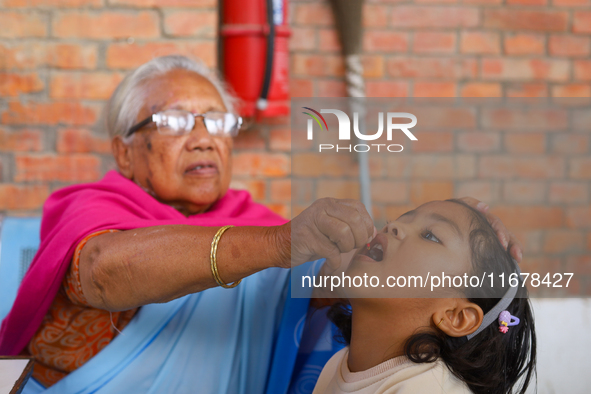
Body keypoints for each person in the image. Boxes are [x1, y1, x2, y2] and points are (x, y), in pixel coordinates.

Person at [0, 55, 523, 394]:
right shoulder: (93, 211)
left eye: (219, 122)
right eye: (178, 122)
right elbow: (106, 272)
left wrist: (468, 261)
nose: (204, 138)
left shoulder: (256, 227)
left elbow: (344, 276)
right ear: (124, 150)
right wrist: (281, 243)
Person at [312, 199, 536, 394]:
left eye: (430, 235)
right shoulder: (336, 366)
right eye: (400, 218)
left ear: (455, 317)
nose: (393, 226)